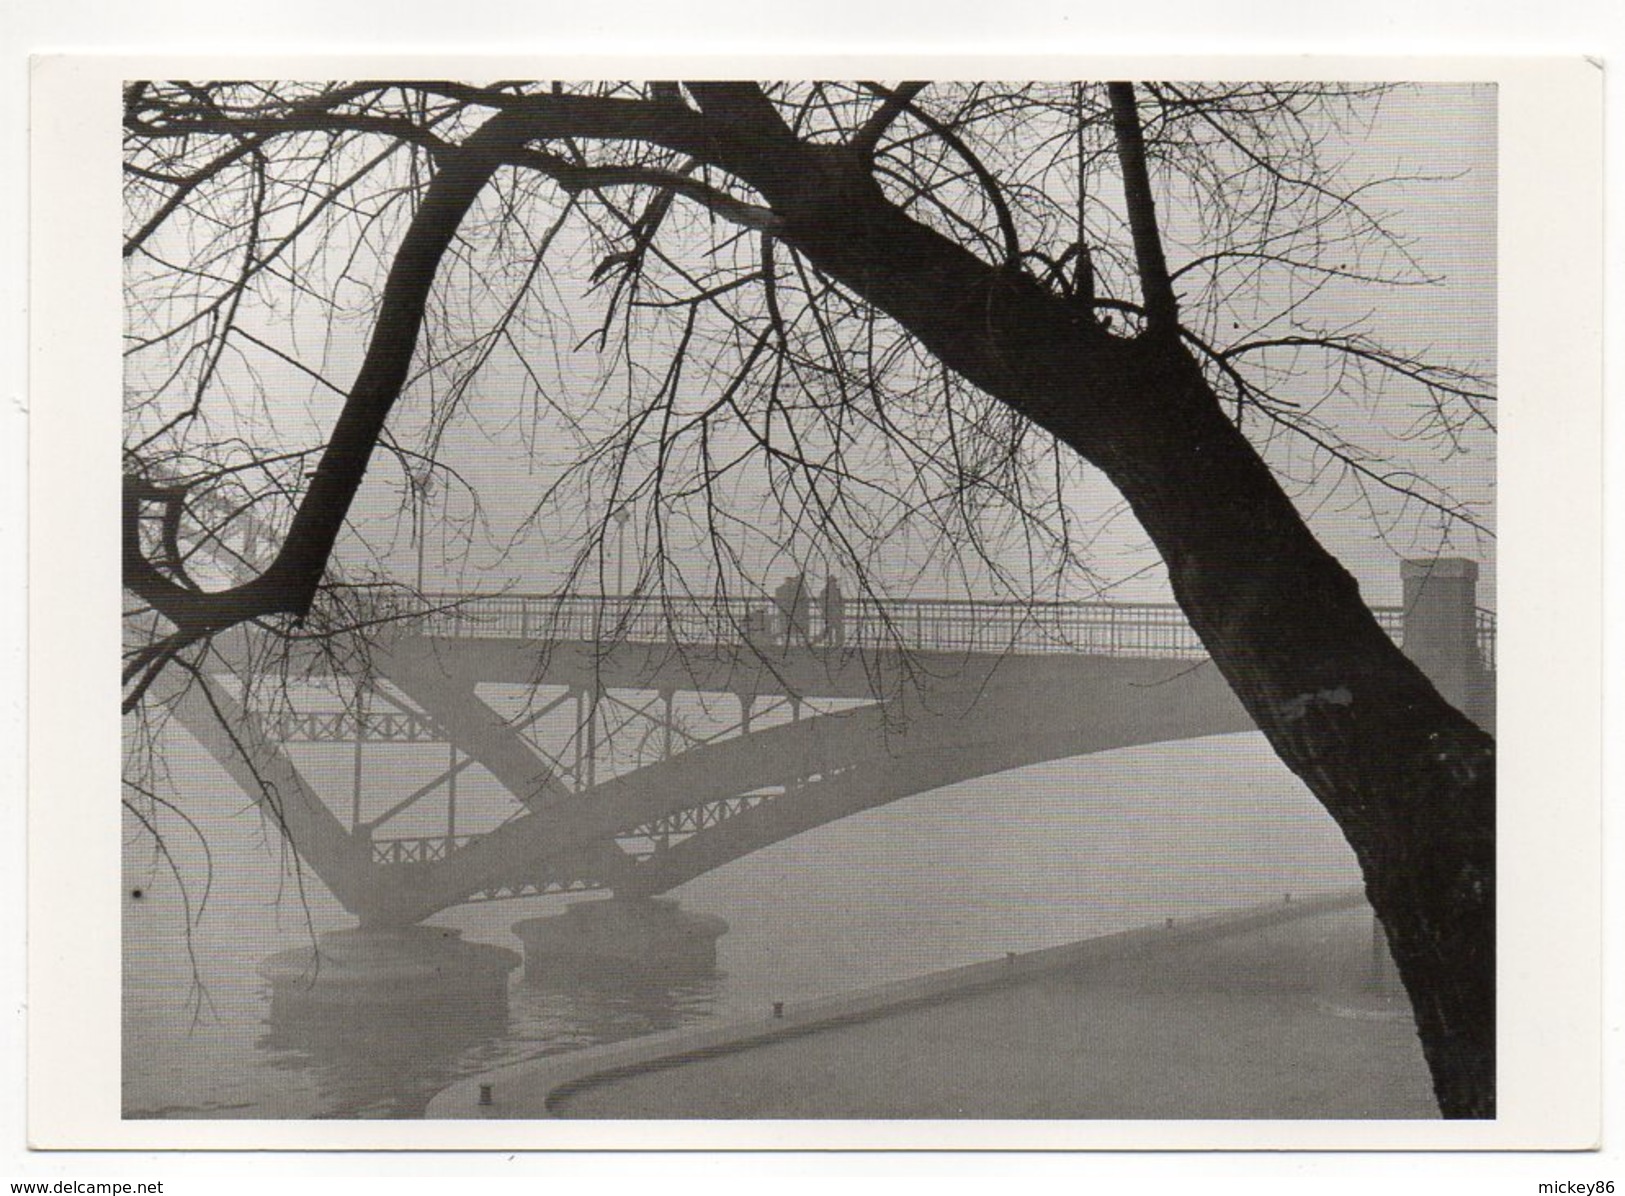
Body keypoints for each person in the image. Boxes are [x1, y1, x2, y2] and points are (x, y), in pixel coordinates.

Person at [821, 575, 846, 648]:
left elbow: (841, 602)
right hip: (829, 612)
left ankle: (838, 642)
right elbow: (822, 602)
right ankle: (830, 642)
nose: (834, 583)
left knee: (837, 627)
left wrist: (841, 610)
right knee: (830, 628)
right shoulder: (825, 591)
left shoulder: (837, 591)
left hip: (836, 612)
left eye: (834, 582)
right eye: (832, 582)